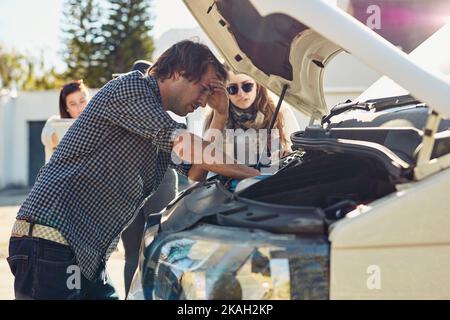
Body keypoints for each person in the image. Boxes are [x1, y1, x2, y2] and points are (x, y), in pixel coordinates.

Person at [8, 40, 259, 300]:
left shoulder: (157, 120)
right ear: (177, 72)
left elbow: (197, 172)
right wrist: (257, 177)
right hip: (51, 241)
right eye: (204, 89)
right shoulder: (131, 87)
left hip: (85, 253)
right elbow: (188, 145)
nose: (205, 101)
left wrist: (220, 115)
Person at [119, 59, 179, 297]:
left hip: (127, 186)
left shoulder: (123, 112)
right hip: (157, 182)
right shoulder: (161, 113)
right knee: (160, 250)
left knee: (132, 254)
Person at [202, 67, 300, 168]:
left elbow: (296, 155)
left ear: (257, 85)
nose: (241, 94)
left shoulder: (281, 112)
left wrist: (280, 152)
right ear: (225, 91)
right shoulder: (214, 118)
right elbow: (207, 161)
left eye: (247, 86)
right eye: (233, 89)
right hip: (231, 181)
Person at [41, 80, 90, 162]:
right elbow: (49, 139)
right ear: (66, 107)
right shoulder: (53, 122)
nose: (79, 107)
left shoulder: (99, 123)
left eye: (82, 101)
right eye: (73, 104)